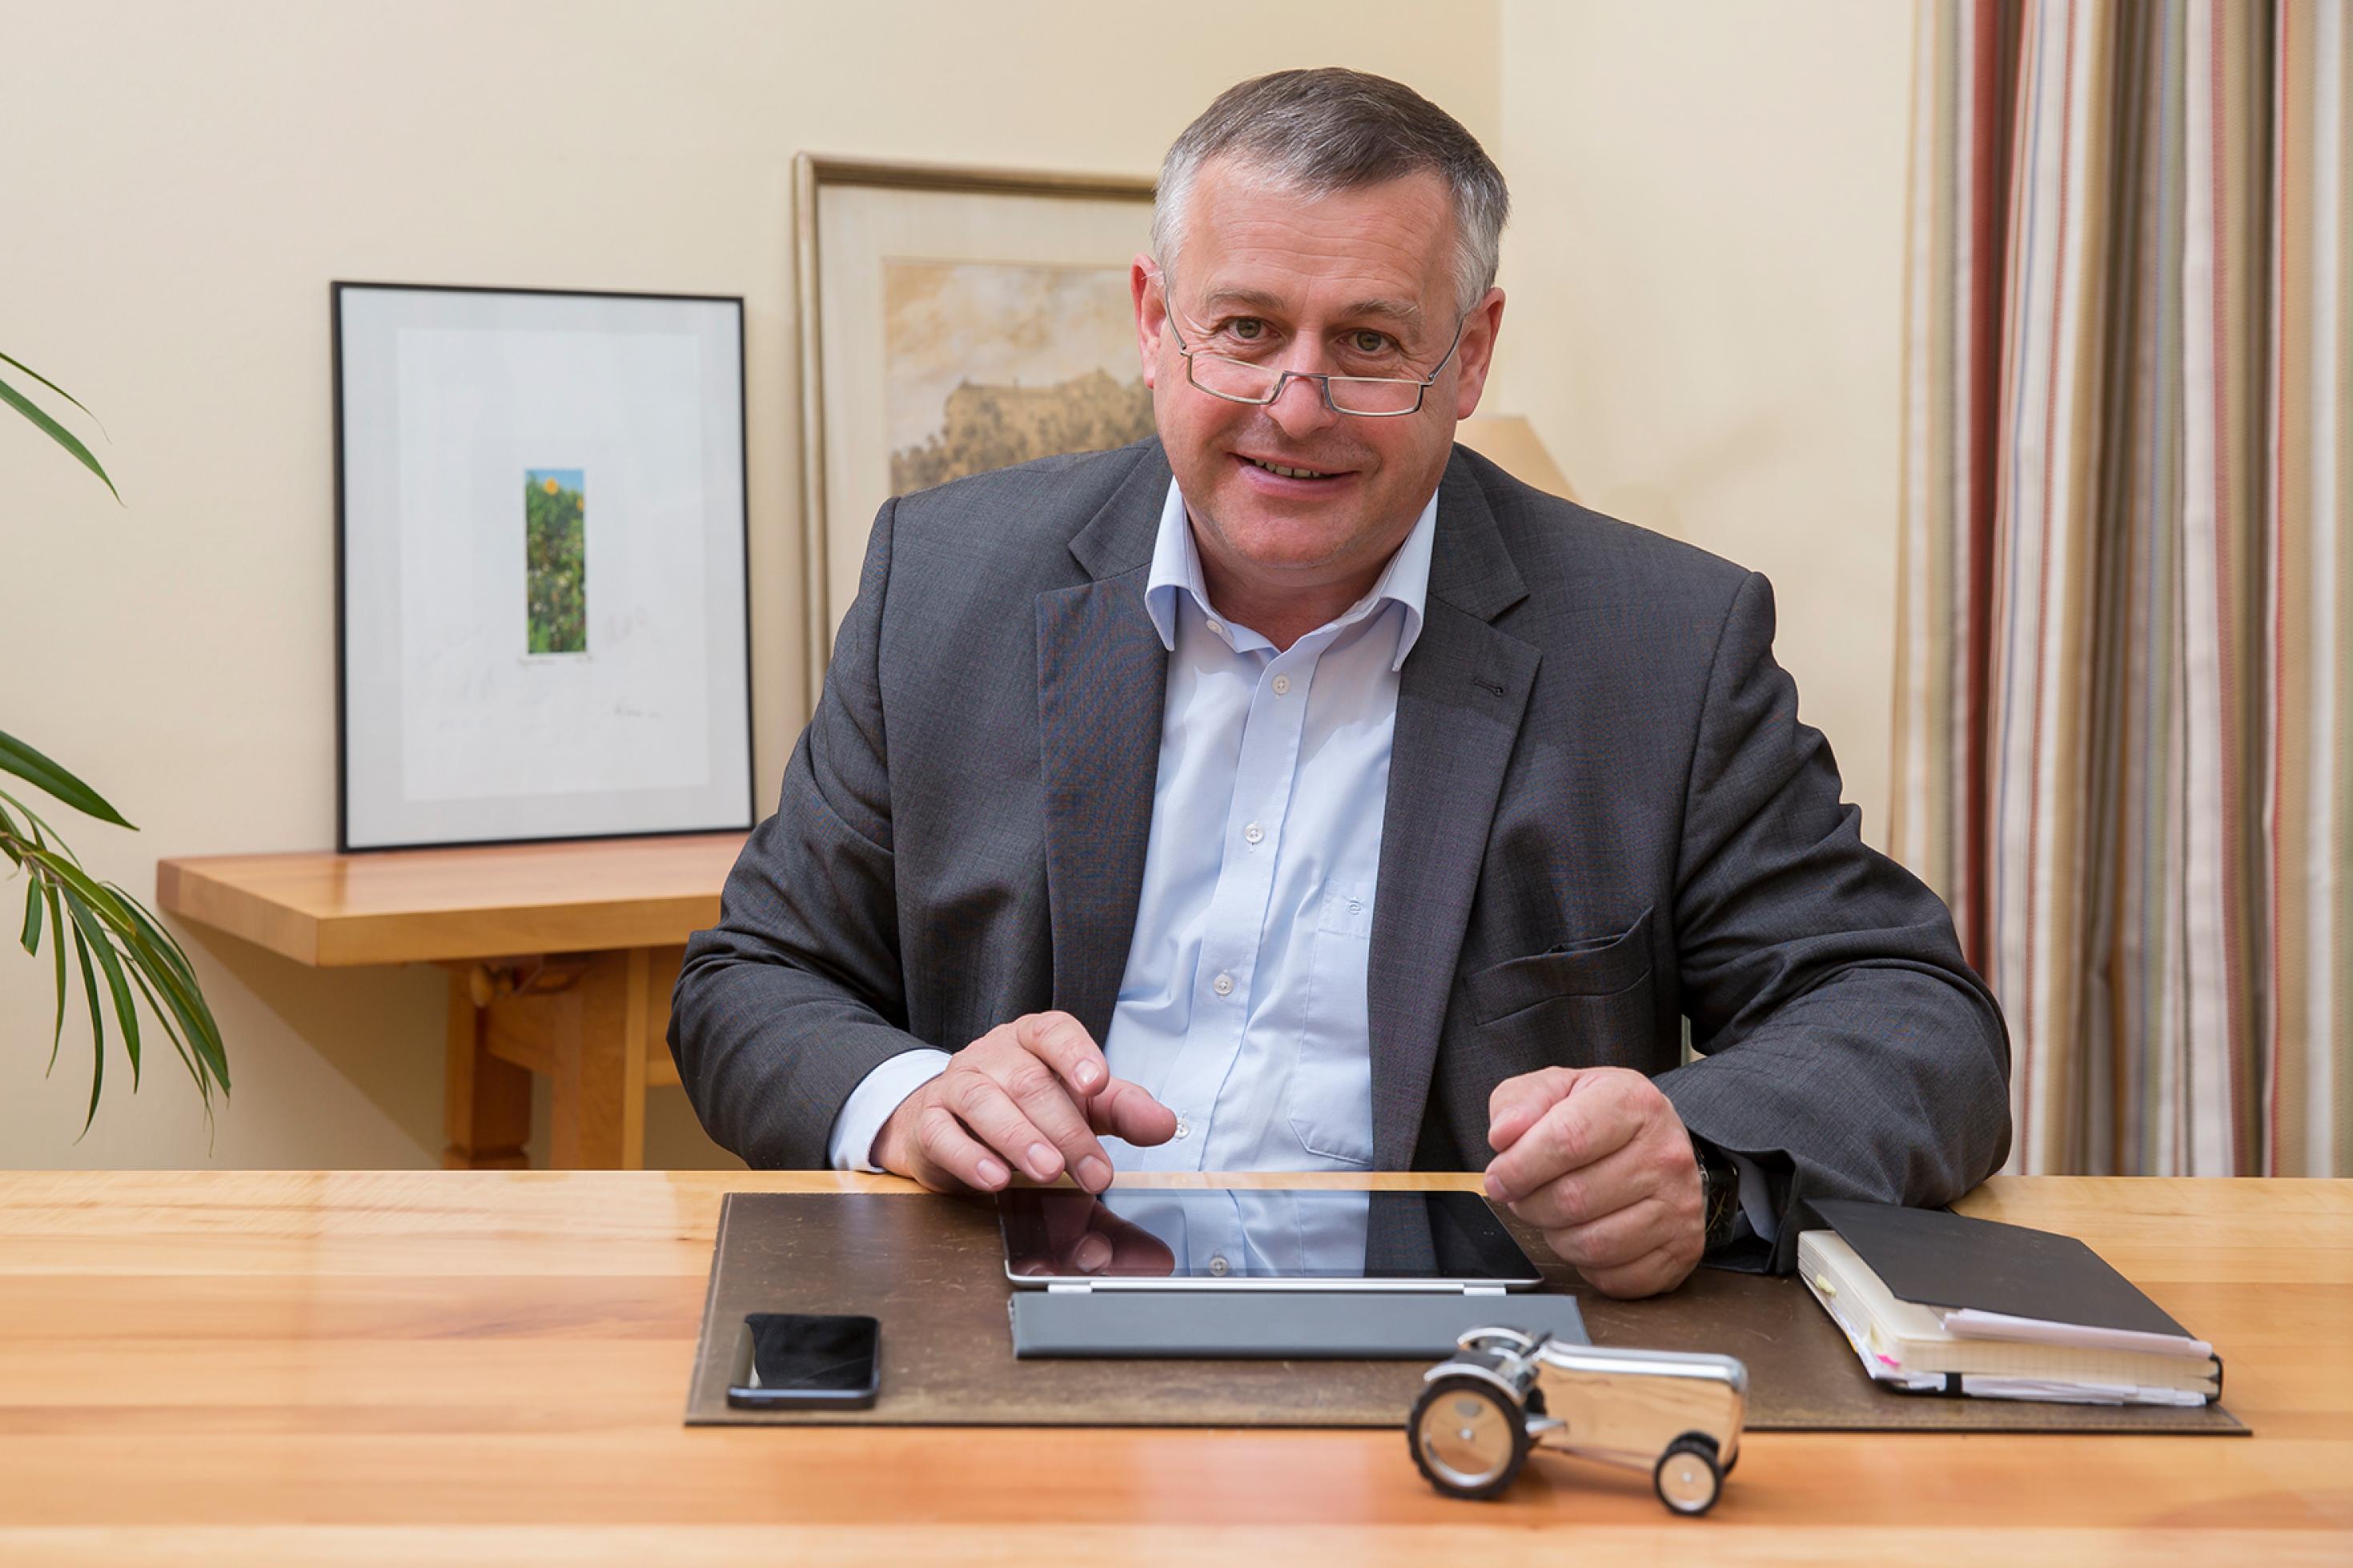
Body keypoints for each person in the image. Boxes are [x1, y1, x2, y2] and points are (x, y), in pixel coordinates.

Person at [670, 67, 2010, 1298]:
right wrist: (904, 1098)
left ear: (1470, 355)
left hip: (1452, 1366)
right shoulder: (948, 584)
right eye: (1245, 329)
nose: (1296, 404)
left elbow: (1917, 1027)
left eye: (1370, 342)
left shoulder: (1660, 643)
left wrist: (1700, 1160)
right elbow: (752, 977)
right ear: (1153, 323)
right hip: (1008, 1335)